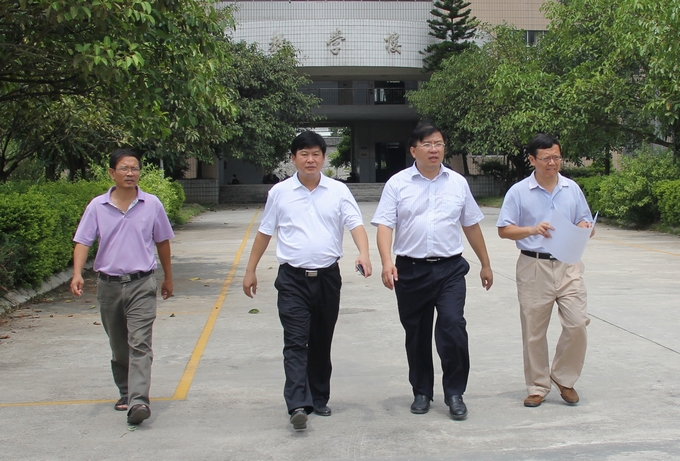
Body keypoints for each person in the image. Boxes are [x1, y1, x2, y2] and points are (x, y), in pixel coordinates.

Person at [242, 131, 372, 431]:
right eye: (304, 154)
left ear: (324, 158)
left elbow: (355, 224)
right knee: (295, 341)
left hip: (328, 278)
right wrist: (250, 270)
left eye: (315, 154)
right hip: (292, 279)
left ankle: (319, 397)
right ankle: (297, 403)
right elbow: (265, 232)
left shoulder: (338, 191)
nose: (310, 159)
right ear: (293, 159)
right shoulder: (280, 192)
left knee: (321, 341)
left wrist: (364, 253)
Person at [371, 123, 493, 421]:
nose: (434, 149)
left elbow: (471, 224)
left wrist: (486, 263)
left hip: (450, 269)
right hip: (410, 270)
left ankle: (455, 393)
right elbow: (385, 225)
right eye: (427, 144)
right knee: (417, 333)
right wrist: (386, 261)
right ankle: (422, 391)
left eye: (438, 143)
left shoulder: (457, 183)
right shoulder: (397, 184)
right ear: (414, 150)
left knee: (453, 327)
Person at [70, 148, 175, 425]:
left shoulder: (152, 204)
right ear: (112, 173)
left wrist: (168, 277)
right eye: (124, 168)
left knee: (140, 342)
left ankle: (139, 401)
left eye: (135, 168)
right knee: (119, 345)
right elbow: (83, 241)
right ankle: (126, 391)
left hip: (142, 283)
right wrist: (77, 273)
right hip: (109, 286)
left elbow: (162, 241)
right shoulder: (97, 206)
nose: (130, 173)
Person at [497, 133, 593, 408]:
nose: (553, 163)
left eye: (556, 157)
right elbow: (504, 229)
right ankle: (538, 386)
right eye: (546, 158)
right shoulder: (518, 192)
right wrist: (532, 229)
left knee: (577, 323)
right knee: (534, 330)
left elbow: (585, 219)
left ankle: (564, 377)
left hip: (568, 264)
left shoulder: (571, 188)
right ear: (532, 160)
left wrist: (585, 227)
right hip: (534, 266)